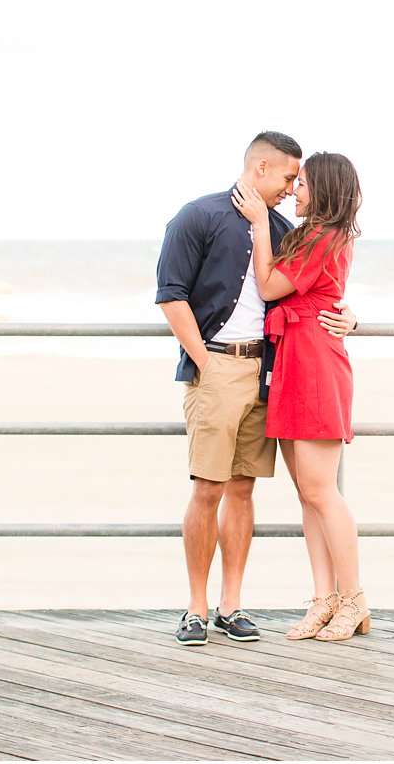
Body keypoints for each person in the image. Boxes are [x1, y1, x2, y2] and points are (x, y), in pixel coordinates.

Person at [156, 131, 357, 647]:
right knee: (208, 488)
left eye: (301, 181)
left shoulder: (287, 230)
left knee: (244, 489)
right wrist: (202, 359)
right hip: (218, 368)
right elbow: (170, 293)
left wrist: (349, 317)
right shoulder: (197, 216)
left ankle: (231, 605)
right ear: (262, 168)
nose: (293, 189)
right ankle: (196, 608)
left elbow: (312, 285)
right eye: (290, 177)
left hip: (273, 371)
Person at [232, 152, 367, 642]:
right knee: (308, 495)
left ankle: (352, 599)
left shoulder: (324, 237)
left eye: (304, 183)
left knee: (321, 492)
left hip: (312, 361)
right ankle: (325, 599)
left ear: (325, 188)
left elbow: (269, 287)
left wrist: (258, 224)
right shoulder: (316, 235)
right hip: (295, 358)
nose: (295, 191)